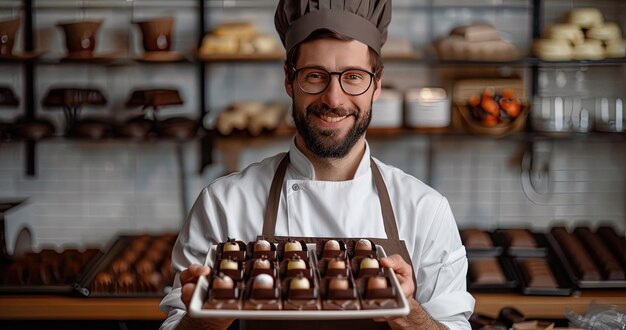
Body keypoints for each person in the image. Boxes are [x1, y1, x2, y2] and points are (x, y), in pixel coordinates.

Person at [160, 0, 475, 329]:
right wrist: (204, 322)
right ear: (289, 80)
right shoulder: (224, 204)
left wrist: (408, 314)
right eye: (315, 76)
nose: (334, 99)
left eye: (353, 77)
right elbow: (176, 322)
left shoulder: (425, 211)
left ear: (377, 84)